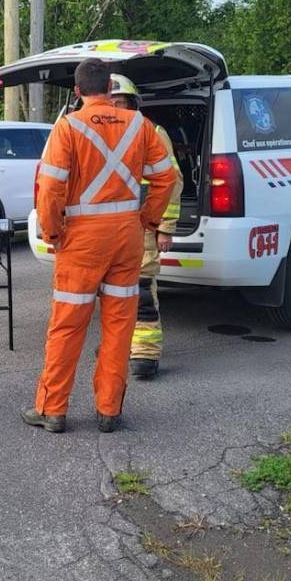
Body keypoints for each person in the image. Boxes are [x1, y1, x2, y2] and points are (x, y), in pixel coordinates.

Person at [22, 59, 177, 434]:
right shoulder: (140, 124)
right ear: (110, 87)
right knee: (119, 327)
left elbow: (51, 187)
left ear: (77, 92)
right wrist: (148, 220)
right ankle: (109, 411)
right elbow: (167, 177)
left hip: (81, 242)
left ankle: (52, 410)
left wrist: (52, 233)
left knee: (67, 326)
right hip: (126, 238)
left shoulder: (68, 126)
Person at [108, 74, 183, 380]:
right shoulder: (94, 132)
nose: (115, 109)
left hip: (141, 226)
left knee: (140, 291)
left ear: (133, 104)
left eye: (120, 103)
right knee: (111, 293)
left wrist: (166, 226)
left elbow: (171, 179)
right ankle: (120, 345)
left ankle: (145, 354)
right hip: (104, 229)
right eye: (110, 103)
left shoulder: (151, 132)